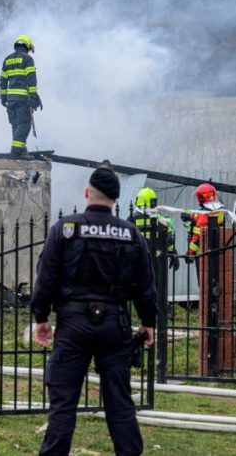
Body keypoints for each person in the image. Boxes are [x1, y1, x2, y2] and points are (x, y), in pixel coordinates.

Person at [31, 168, 156, 456]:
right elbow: (145, 285)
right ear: (116, 198)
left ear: (88, 194)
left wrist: (41, 318)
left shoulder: (65, 229)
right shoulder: (131, 234)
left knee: (63, 404)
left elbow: (45, 278)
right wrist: (148, 322)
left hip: (73, 324)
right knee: (120, 403)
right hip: (115, 325)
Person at [0, 34, 42, 157]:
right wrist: (33, 97)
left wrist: (3, 97)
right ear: (27, 46)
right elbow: (31, 80)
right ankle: (16, 152)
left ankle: (21, 151)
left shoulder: (7, 59)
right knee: (24, 125)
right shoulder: (27, 59)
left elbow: (2, 80)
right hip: (23, 99)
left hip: (11, 100)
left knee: (16, 126)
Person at [128, 187, 177, 257]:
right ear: (154, 202)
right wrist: (172, 252)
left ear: (137, 201)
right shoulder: (161, 219)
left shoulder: (130, 219)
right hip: (157, 259)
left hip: (138, 259)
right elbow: (169, 239)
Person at [181, 182, 225, 256]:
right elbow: (201, 216)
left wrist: (190, 252)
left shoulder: (204, 212)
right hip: (217, 249)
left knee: (203, 267)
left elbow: (199, 235)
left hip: (203, 252)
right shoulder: (218, 210)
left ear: (200, 197)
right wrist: (190, 215)